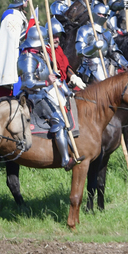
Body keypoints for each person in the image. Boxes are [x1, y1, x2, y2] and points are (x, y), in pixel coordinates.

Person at [17, 25, 83, 171]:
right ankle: (65, 160)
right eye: (44, 40)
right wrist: (47, 82)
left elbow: (54, 75)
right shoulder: (27, 58)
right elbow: (28, 83)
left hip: (45, 92)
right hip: (35, 96)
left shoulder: (39, 56)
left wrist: (67, 91)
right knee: (59, 121)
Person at [75, 0, 128, 83]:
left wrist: (126, 65)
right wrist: (94, 48)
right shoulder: (84, 30)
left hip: (106, 65)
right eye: (99, 14)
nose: (102, 16)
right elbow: (79, 52)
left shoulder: (106, 33)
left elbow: (114, 52)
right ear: (94, 13)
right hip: (90, 67)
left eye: (104, 15)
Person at [0, 0, 29, 97]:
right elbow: (16, 39)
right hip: (14, 54)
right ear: (20, 0)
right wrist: (30, 30)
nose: (28, 0)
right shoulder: (12, 17)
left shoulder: (19, 14)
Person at [45, 18, 86, 91]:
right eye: (54, 36)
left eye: (58, 35)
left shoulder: (58, 49)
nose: (57, 39)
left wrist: (73, 77)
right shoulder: (44, 50)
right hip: (52, 87)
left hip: (64, 84)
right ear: (48, 35)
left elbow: (66, 67)